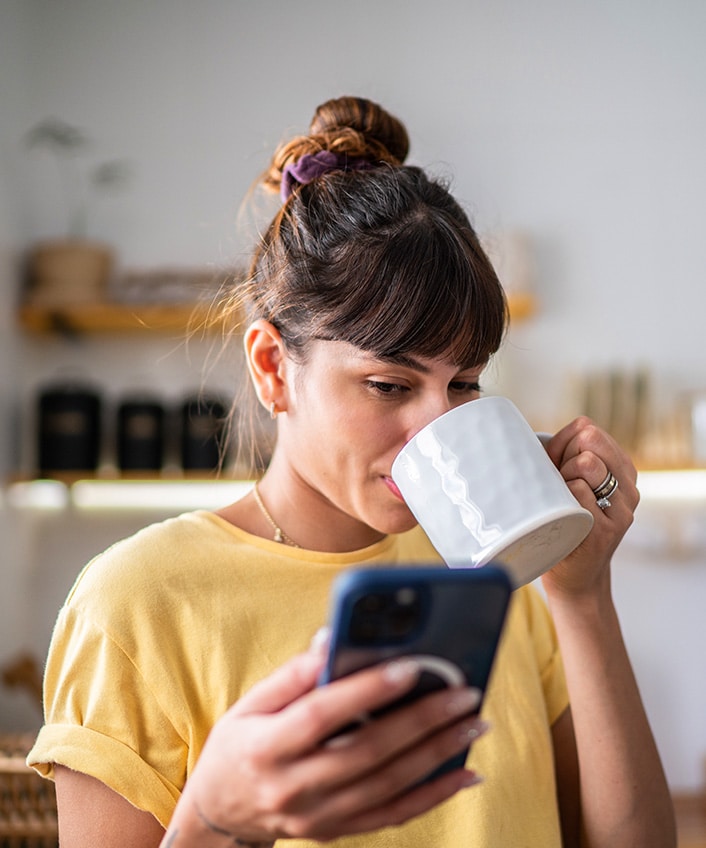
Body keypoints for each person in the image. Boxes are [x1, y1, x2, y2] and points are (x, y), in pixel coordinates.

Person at [28, 96, 676, 848]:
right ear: (274, 368)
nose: (441, 424)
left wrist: (584, 596)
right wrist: (214, 819)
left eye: (464, 383)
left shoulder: (497, 566)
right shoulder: (134, 606)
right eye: (390, 386)